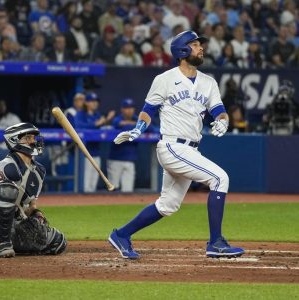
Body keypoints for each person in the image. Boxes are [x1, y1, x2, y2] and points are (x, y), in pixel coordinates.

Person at [108, 31, 245, 259]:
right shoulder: (164, 79)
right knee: (220, 178)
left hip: (190, 149)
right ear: (182, 50)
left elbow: (219, 112)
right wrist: (138, 129)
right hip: (172, 146)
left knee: (167, 205)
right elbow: (147, 111)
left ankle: (121, 234)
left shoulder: (208, 82)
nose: (201, 48)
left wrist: (223, 122)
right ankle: (216, 242)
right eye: (195, 44)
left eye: (200, 44)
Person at [0, 123, 67, 257]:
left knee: (58, 241)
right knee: (7, 189)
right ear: (14, 140)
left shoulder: (39, 171)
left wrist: (36, 214)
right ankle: (2, 243)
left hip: (14, 219)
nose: (33, 141)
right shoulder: (5, 166)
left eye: (33, 137)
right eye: (28, 138)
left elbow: (30, 206)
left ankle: (2, 244)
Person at [75, 92, 115, 192]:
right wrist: (97, 123)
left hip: (96, 153)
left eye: (96, 101)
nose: (95, 103)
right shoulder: (80, 114)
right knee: (85, 185)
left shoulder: (97, 115)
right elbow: (78, 127)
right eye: (92, 101)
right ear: (86, 103)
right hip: (84, 155)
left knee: (93, 185)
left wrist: (105, 121)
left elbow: (102, 127)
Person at [107, 98, 139, 192]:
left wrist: (128, 124)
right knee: (113, 188)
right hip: (115, 159)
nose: (129, 110)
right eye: (127, 108)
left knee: (128, 190)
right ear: (122, 109)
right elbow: (117, 124)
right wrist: (135, 125)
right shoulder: (117, 119)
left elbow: (150, 127)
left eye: (131, 107)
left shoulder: (137, 119)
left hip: (130, 160)